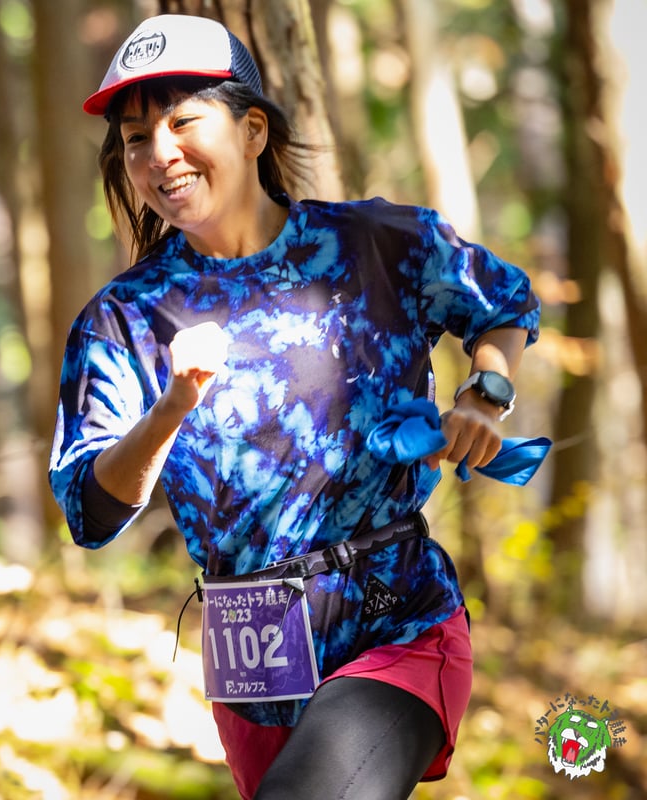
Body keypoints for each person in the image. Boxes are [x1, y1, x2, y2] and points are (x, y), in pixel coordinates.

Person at [48, 13, 540, 800]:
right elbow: (89, 510)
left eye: (182, 122)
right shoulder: (123, 318)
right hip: (252, 667)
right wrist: (171, 408)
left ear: (252, 131)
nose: (158, 152)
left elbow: (503, 302)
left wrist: (486, 392)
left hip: (395, 625)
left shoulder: (374, 244)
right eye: (135, 138)